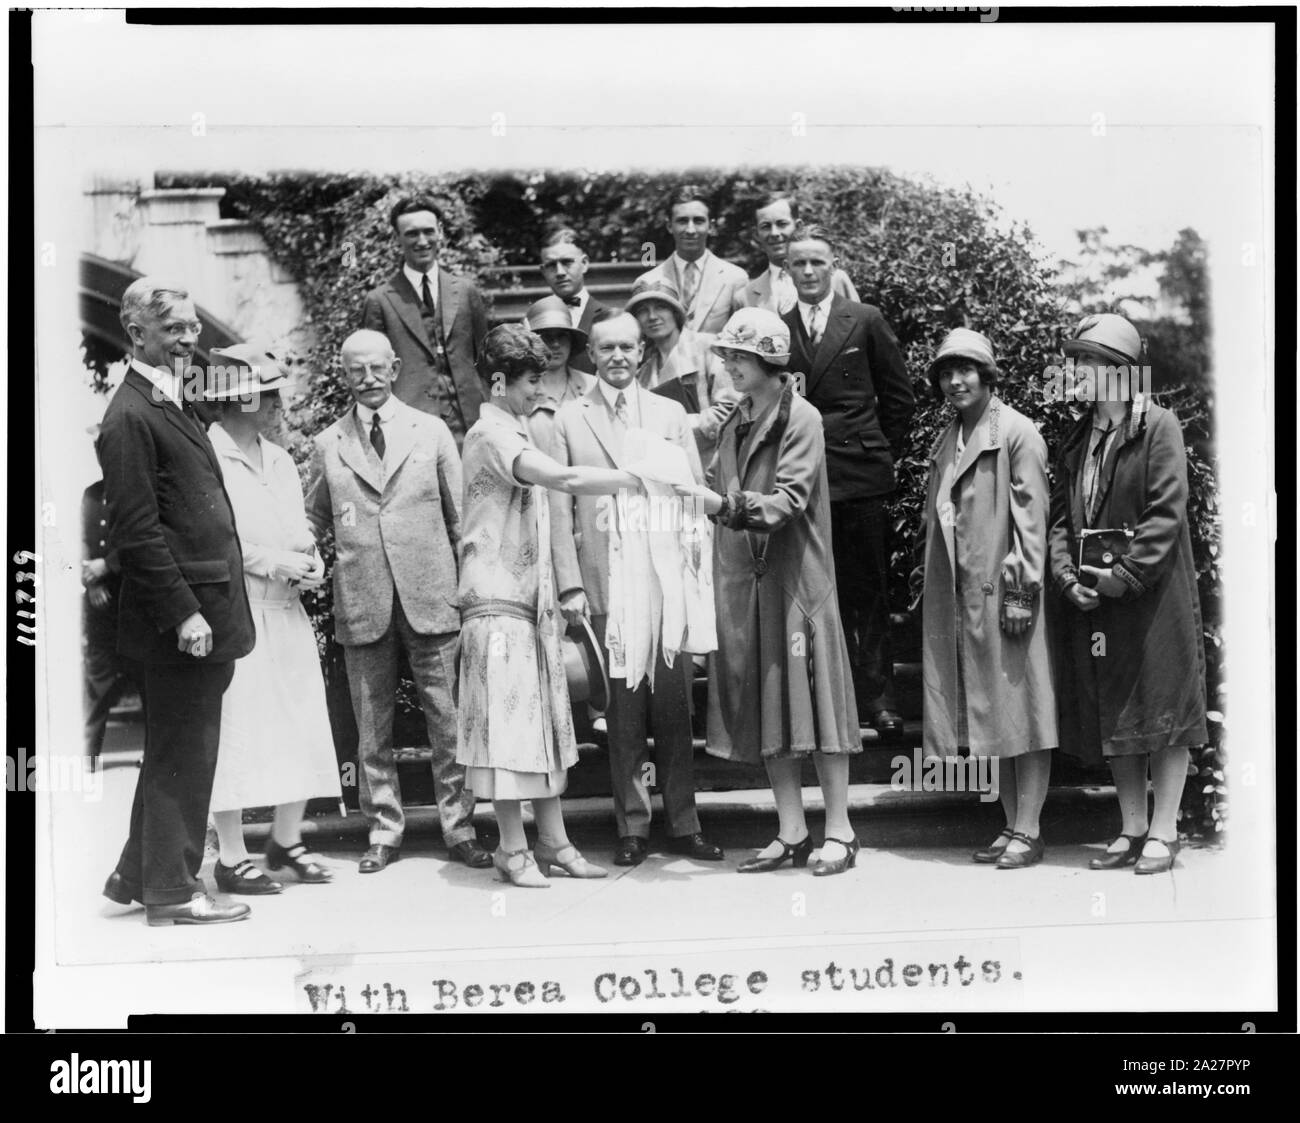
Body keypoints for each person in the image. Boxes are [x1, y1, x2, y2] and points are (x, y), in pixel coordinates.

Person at [675, 308, 862, 876]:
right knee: (765, 707)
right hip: (746, 581)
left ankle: (841, 832)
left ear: (765, 361)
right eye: (727, 356)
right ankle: (791, 830)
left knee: (819, 706)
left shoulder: (801, 416)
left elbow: (788, 500)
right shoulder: (735, 418)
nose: (727, 365)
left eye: (736, 356)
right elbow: (717, 484)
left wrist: (722, 505)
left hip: (796, 580)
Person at [457, 325, 644, 887]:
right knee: (508, 735)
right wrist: (637, 479)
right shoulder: (491, 434)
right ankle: (512, 851)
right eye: (531, 381)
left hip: (528, 605)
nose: (541, 392)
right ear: (497, 381)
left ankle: (556, 842)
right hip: (496, 604)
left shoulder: (513, 428)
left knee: (543, 728)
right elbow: (562, 477)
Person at [97, 277, 256, 925]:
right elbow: (137, 533)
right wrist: (185, 612)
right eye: (178, 329)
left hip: (203, 607)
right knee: (185, 752)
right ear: (138, 334)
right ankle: (174, 890)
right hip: (183, 617)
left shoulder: (170, 394)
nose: (194, 338)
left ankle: (137, 874)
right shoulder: (129, 415)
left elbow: (236, 380)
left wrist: (191, 355)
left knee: (176, 745)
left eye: (196, 325)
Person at [305, 329, 491, 874]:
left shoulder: (430, 432)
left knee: (450, 722)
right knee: (372, 728)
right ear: (344, 375)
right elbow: (313, 517)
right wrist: (301, 556)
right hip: (363, 602)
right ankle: (384, 831)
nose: (367, 379)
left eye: (376, 368)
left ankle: (460, 828)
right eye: (355, 370)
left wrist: (471, 589)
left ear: (394, 367)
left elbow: (463, 519)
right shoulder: (328, 442)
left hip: (433, 597)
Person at [550, 311, 724, 866]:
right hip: (604, 579)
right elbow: (557, 505)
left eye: (628, 347)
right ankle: (632, 825)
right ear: (592, 355)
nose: (619, 357)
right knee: (623, 710)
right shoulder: (569, 417)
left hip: (662, 576)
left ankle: (684, 822)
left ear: (643, 352)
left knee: (672, 706)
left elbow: (694, 494)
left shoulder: (671, 413)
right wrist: (571, 583)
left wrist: (695, 578)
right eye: (607, 349)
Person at [1047, 313, 1208, 875]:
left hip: (1151, 594)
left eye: (1092, 362)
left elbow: (1167, 511)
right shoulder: (1078, 435)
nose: (1080, 372)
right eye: (1078, 362)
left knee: (1163, 705)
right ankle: (1132, 827)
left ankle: (1166, 831)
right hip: (1096, 594)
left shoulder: (1158, 424)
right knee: (1117, 707)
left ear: (1122, 371)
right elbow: (1064, 519)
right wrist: (1068, 576)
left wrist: (1128, 574)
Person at [910, 329, 1057, 869]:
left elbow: (1032, 524)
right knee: (990, 712)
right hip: (962, 597)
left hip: (1008, 595)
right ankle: (1010, 823)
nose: (955, 380)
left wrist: (1020, 593)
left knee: (1025, 708)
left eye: (966, 369)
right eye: (946, 372)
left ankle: (1030, 827)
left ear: (987, 375)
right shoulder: (948, 437)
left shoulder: (1017, 432)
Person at [204, 344, 343, 894]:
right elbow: (213, 541)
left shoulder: (280, 457)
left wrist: (312, 559)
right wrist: (270, 561)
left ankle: (287, 841)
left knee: (302, 721)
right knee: (237, 730)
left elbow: (297, 524)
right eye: (269, 393)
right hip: (238, 613)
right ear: (238, 399)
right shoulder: (207, 455)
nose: (279, 403)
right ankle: (232, 854)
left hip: (288, 611)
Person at [782, 225, 915, 735]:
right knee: (814, 590)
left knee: (869, 590)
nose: (809, 272)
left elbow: (898, 398)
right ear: (788, 269)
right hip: (805, 479)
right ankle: (824, 699)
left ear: (833, 266)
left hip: (860, 478)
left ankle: (879, 698)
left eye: (818, 262)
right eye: (799, 264)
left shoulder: (864, 320)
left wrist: (877, 452)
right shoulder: (779, 326)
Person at [361, 194, 489, 449]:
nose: (422, 241)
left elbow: (490, 360)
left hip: (472, 423)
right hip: (411, 429)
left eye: (428, 231)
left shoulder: (466, 291)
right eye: (411, 234)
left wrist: (498, 406)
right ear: (397, 238)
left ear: (440, 232)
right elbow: (370, 373)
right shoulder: (379, 301)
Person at [625, 279, 737, 463]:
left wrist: (674, 426)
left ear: (675, 313)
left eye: (660, 307)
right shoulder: (643, 370)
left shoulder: (709, 347)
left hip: (715, 465)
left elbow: (732, 409)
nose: (652, 316)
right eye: (643, 311)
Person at [81, 437, 141, 772]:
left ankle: (156, 760)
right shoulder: (91, 494)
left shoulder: (138, 494)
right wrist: (91, 583)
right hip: (100, 607)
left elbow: (142, 541)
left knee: (147, 680)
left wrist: (109, 566)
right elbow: (81, 541)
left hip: (134, 602)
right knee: (96, 682)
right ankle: (87, 759)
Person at [635, 185, 747, 335]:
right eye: (682, 221)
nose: (690, 230)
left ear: (711, 226)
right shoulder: (648, 281)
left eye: (698, 221)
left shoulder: (734, 278)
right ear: (669, 226)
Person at [741, 192, 859, 315]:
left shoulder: (835, 278)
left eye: (782, 224)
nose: (774, 233)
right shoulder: (746, 296)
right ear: (756, 234)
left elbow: (859, 326)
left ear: (798, 226)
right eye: (766, 226)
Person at [521, 294, 595, 457]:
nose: (555, 344)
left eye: (562, 336)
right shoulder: (518, 393)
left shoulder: (592, 387)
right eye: (546, 337)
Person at [538, 228, 607, 374]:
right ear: (543, 271)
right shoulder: (532, 321)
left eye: (567, 262)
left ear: (585, 263)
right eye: (551, 265)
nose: (560, 272)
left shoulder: (609, 318)